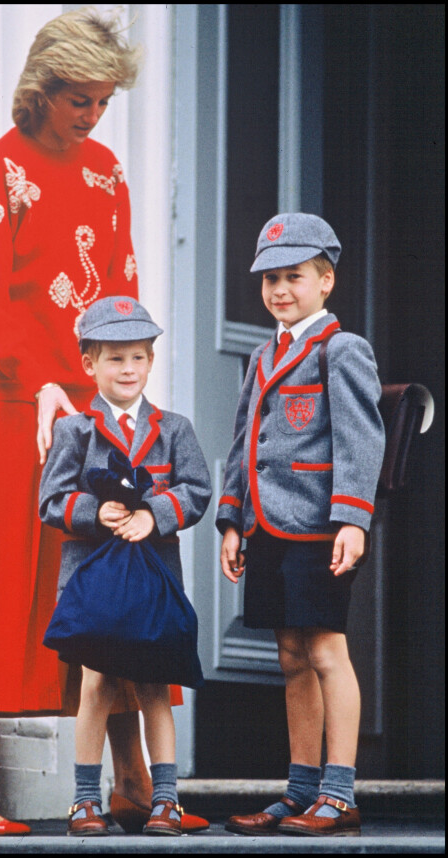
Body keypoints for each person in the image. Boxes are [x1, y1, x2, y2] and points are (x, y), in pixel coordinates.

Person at [0, 6, 207, 838]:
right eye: (79, 99)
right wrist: (46, 385)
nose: (91, 115)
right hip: (10, 408)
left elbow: (118, 284)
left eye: (102, 102)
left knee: (113, 573)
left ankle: (130, 782)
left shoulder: (109, 172)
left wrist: (113, 387)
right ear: (41, 90)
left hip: (89, 407)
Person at [217, 213, 386, 837]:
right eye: (269, 280)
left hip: (320, 526)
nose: (279, 291)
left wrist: (353, 519)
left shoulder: (342, 349)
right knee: (290, 656)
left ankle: (339, 793)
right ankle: (301, 789)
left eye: (293, 277)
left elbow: (360, 439)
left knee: (323, 649)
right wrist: (232, 520)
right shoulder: (265, 354)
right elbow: (243, 445)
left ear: (325, 281)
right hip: (268, 526)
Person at [38, 296, 212, 836]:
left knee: (155, 686)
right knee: (97, 684)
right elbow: (51, 501)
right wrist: (97, 511)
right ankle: (86, 800)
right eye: (115, 359)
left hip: (152, 579)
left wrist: (155, 515)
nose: (128, 369)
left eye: (138, 357)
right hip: (95, 583)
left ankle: (165, 801)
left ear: (151, 361)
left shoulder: (173, 428)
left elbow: (198, 490)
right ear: (89, 363)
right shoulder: (76, 431)